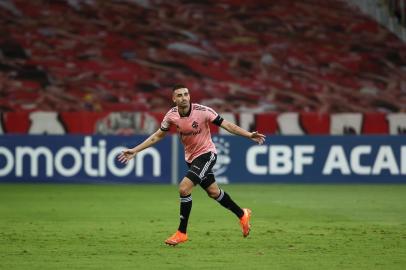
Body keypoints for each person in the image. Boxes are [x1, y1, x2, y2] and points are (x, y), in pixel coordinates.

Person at [117, 84, 266, 246]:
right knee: (214, 192)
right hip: (191, 159)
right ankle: (242, 214)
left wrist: (249, 135)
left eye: (186, 94)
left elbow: (228, 125)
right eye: (179, 95)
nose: (184, 97)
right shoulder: (171, 115)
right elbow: (157, 136)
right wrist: (136, 150)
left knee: (184, 188)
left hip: (207, 154)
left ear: (189, 96)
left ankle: (181, 233)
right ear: (174, 99)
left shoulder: (203, 111)